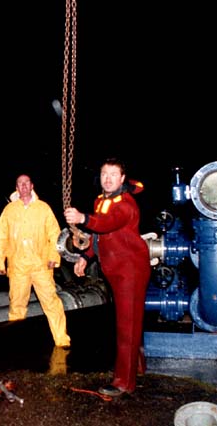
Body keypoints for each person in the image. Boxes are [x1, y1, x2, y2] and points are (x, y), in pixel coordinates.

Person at [63, 158, 151, 397]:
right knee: (130, 322)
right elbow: (99, 235)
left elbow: (107, 223)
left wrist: (82, 218)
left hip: (130, 270)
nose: (108, 178)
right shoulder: (101, 200)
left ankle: (124, 382)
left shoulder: (126, 204)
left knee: (126, 326)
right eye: (104, 174)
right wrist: (85, 256)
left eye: (114, 174)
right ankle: (137, 367)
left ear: (123, 179)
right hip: (115, 269)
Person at [0, 174, 71, 348]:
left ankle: (62, 340)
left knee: (51, 302)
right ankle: (16, 344)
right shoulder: (9, 210)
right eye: (20, 183)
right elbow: (1, 237)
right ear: (17, 187)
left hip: (41, 265)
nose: (23, 186)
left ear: (31, 186)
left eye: (26, 183)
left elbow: (55, 234)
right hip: (18, 266)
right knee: (17, 305)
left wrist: (54, 256)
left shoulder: (43, 208)